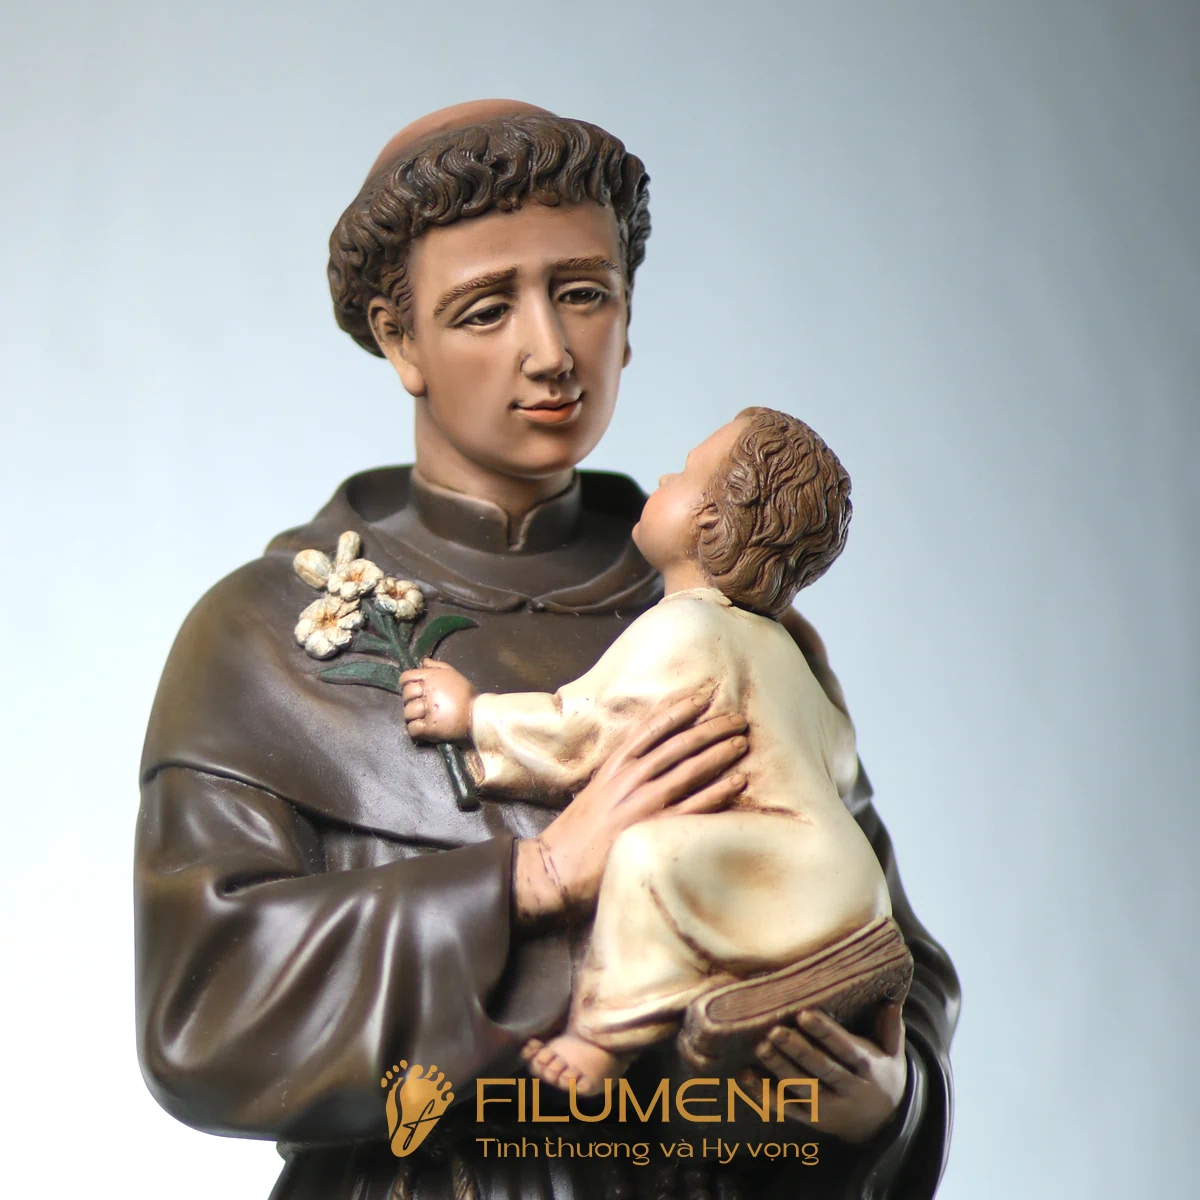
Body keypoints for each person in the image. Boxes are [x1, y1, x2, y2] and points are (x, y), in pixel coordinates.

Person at [135, 101, 960, 1200]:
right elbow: (205, 1011)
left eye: (583, 293)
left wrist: (880, 1107)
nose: (552, 352)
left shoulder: (742, 626)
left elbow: (885, 949)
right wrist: (534, 878)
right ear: (400, 339)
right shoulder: (262, 639)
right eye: (486, 309)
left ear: (628, 313)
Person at [399, 407, 903, 1099]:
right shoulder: (783, 651)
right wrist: (820, 667)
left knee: (643, 855)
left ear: (712, 520)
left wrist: (471, 715)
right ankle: (813, 973)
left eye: (685, 473)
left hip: (784, 867)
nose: (663, 478)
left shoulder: (684, 625)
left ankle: (602, 1039)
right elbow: (840, 756)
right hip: (855, 887)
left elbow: (583, 730)